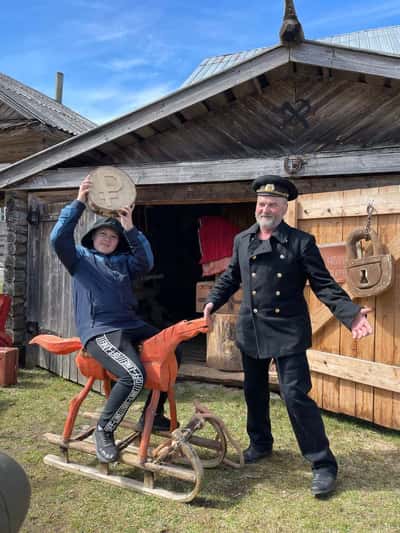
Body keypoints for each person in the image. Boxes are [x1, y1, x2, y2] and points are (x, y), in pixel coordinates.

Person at [203, 175, 372, 497]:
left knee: (295, 395)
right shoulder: (243, 239)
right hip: (251, 329)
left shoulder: (300, 242)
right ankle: (261, 444)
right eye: (261, 203)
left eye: (272, 204)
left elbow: (324, 285)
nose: (265, 208)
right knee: (254, 391)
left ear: (283, 209)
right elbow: (231, 275)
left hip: (287, 330)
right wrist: (213, 299)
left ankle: (323, 464)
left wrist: (350, 315)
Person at [50, 175, 180, 463]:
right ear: (92, 239)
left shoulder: (124, 262)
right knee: (133, 375)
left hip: (130, 324)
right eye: (102, 236)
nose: (108, 240)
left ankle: (154, 413)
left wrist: (130, 228)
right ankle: (104, 430)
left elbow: (146, 261)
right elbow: (58, 238)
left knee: (174, 345)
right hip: (100, 330)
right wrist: (79, 202)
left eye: (112, 236)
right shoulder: (79, 260)